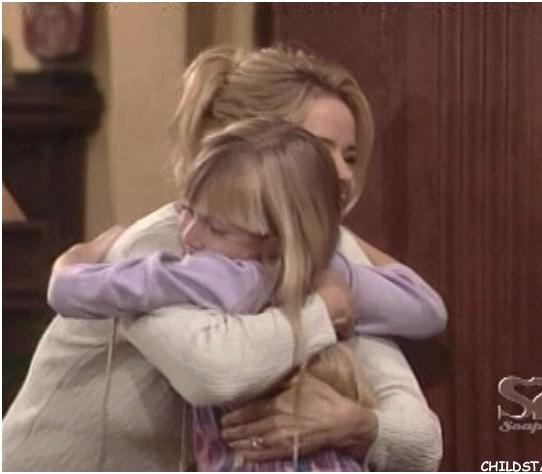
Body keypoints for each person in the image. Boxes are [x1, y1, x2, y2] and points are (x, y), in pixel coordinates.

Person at [3, 45, 446, 471]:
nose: (345, 174)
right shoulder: (167, 246)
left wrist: (360, 425)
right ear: (249, 144)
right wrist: (322, 312)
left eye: (349, 156)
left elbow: (422, 441)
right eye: (319, 149)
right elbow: (214, 372)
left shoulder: (319, 261)